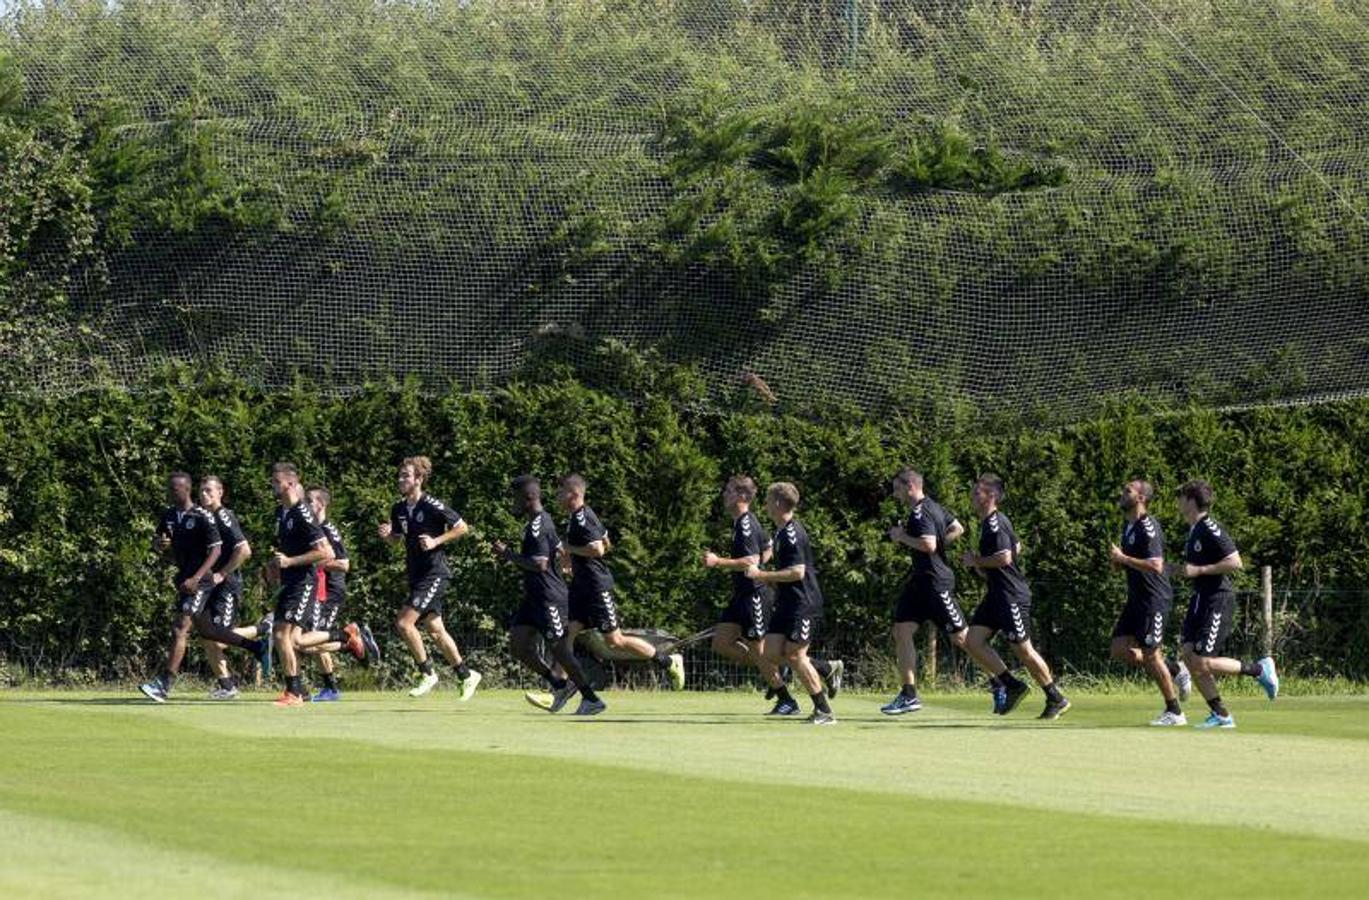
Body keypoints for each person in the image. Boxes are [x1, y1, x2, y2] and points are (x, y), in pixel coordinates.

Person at [139, 472, 271, 702]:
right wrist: (160, 546)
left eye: (209, 490)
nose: (204, 494)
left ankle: (164, 684)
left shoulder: (214, 516)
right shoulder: (172, 516)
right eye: (203, 490)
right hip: (192, 580)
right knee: (209, 634)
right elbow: (169, 548)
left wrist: (218, 574)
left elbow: (238, 550)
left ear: (220, 492)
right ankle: (250, 654)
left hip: (216, 583)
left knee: (183, 627)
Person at [555, 474, 684, 691]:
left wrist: (569, 550)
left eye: (561, 491)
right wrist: (574, 560)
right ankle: (557, 687)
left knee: (615, 640)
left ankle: (668, 661)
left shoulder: (582, 517)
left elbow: (599, 548)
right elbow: (606, 539)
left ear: (574, 494)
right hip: (581, 586)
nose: (557, 496)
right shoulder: (577, 517)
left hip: (596, 587)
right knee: (566, 634)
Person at [960, 474, 1070, 720]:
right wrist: (982, 566)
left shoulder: (996, 523)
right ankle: (1012, 684)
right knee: (973, 641)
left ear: (992, 496)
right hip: (996, 595)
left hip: (1011, 596)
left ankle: (1056, 697)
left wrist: (976, 560)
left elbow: (1006, 558)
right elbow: (1016, 547)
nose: (972, 496)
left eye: (978, 492)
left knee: (1024, 650)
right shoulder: (990, 523)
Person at [494, 475, 604, 716]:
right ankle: (558, 683)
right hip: (533, 597)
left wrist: (508, 554)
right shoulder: (536, 522)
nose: (512, 502)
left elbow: (540, 564)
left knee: (561, 650)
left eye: (515, 497)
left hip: (549, 598)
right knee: (518, 646)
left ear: (528, 498)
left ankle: (591, 698)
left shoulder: (539, 524)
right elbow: (556, 551)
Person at [1176, 479, 1278, 728]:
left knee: (1203, 662)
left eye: (1181, 497)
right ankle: (1221, 715)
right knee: (1189, 656)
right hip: (1200, 599)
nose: (1177, 501)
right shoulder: (1193, 530)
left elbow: (1235, 561)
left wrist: (1200, 570)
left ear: (1191, 501)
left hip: (1216, 600)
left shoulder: (1209, 527)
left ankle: (1259, 670)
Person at [377, 456, 481, 700]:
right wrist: (387, 535)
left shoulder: (432, 505)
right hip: (416, 574)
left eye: (406, 476)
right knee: (435, 630)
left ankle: (426, 673)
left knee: (404, 623)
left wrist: (436, 540)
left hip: (435, 573)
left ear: (419, 479)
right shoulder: (399, 509)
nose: (401, 480)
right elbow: (396, 540)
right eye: (400, 476)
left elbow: (462, 527)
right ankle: (466, 674)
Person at [745, 482, 836, 725]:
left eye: (766, 500)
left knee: (796, 656)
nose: (764, 505)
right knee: (771, 653)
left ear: (776, 503)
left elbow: (797, 572)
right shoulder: (780, 532)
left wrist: (761, 576)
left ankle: (824, 710)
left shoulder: (792, 534)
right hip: (786, 604)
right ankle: (825, 667)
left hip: (802, 604)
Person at [881, 469, 967, 716]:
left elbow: (928, 544)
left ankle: (1002, 681)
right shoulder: (935, 507)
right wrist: (939, 543)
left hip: (935, 582)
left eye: (897, 489)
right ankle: (908, 695)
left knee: (961, 638)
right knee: (902, 630)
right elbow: (957, 527)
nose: (895, 495)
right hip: (919, 583)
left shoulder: (921, 511)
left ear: (910, 487)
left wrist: (901, 537)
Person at [1107, 480, 1187, 725]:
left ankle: (1174, 711)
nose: (1122, 494)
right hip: (1136, 600)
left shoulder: (1148, 526)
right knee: (1119, 650)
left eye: (1128, 491)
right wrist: (1117, 562)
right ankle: (1175, 669)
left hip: (1154, 599)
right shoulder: (1128, 526)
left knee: (1152, 655)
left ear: (1141, 498)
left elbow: (1156, 565)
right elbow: (1130, 562)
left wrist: (1124, 558)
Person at [293, 485, 378, 701]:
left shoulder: (328, 530)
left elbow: (344, 564)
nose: (305, 505)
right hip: (317, 590)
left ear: (322, 504)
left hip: (331, 591)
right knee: (308, 642)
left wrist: (316, 561)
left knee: (308, 642)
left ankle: (349, 640)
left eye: (310, 501)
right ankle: (330, 687)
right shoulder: (312, 528)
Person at [266, 462, 335, 707]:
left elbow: (325, 552)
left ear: (291, 484)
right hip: (289, 581)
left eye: (277, 481)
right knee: (291, 639)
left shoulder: (302, 513)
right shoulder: (282, 513)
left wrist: (290, 561)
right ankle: (299, 691)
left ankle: (293, 692)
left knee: (281, 633)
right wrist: (275, 565)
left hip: (303, 582)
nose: (273, 485)